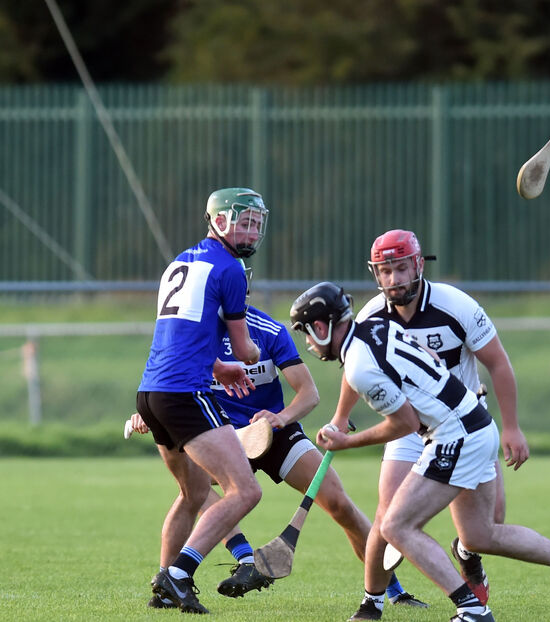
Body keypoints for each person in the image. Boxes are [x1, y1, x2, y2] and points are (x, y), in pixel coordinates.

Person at [290, 282, 550, 622]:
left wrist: (347, 442)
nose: (308, 343)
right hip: (478, 423)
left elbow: (405, 423)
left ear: (321, 327)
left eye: (306, 333)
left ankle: (472, 609)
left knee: (395, 526)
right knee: (480, 535)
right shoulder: (377, 326)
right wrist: (342, 418)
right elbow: (424, 359)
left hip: (454, 435)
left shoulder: (361, 365)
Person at [132, 302, 427, 610]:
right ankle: (219, 569)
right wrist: (148, 413)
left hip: (274, 434)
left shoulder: (269, 330)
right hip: (221, 436)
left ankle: (392, 590)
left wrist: (280, 418)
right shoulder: (192, 331)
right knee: (195, 490)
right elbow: (166, 385)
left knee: (339, 503)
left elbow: (309, 393)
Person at [327, 229, 529, 620]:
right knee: (388, 515)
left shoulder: (456, 306)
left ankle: (467, 553)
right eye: (385, 271)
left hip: (464, 425)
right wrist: (340, 416)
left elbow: (498, 363)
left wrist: (512, 427)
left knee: (489, 526)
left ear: (419, 265)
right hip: (409, 427)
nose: (393, 279)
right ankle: (371, 603)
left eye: (401, 268)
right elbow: (353, 367)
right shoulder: (371, 314)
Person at [136, 187, 269, 614]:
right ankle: (177, 575)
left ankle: (163, 586)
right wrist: (253, 355)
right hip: (184, 393)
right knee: (245, 491)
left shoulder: (180, 261)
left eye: (256, 223)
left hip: (150, 393)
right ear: (218, 220)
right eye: (244, 222)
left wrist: (217, 365)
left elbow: (182, 335)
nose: (252, 231)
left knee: (193, 492)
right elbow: (246, 348)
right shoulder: (231, 268)